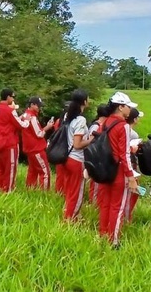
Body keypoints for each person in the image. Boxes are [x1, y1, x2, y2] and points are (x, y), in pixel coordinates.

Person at [97, 92, 140, 249]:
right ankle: (113, 240)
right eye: (128, 107)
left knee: (105, 204)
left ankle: (103, 234)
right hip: (118, 171)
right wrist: (131, 176)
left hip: (104, 169)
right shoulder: (123, 126)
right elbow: (124, 154)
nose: (129, 110)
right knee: (118, 206)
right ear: (121, 107)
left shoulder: (105, 122)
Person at [0, 88, 29, 193]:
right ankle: (8, 191)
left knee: (0, 167)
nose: (13, 99)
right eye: (13, 97)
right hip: (8, 143)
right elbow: (21, 125)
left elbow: (5, 122)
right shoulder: (10, 110)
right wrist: (27, 121)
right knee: (10, 168)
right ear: (8, 97)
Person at [61, 90, 92, 222]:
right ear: (84, 101)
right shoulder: (80, 119)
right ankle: (71, 218)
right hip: (76, 159)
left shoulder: (68, 116)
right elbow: (78, 144)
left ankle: (68, 212)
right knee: (77, 192)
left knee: (70, 189)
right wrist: (91, 140)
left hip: (67, 157)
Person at [21, 97, 54, 190]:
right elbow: (39, 133)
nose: (39, 108)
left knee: (33, 171)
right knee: (45, 173)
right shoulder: (32, 117)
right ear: (32, 105)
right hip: (36, 148)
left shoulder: (24, 115)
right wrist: (48, 127)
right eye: (38, 105)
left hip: (29, 148)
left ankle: (30, 190)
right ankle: (44, 194)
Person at [87, 104, 109, 205]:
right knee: (95, 184)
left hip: (98, 157)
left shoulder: (100, 124)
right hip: (95, 157)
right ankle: (93, 204)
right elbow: (91, 141)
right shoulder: (96, 126)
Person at [53, 101, 71, 195]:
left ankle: (58, 193)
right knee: (67, 175)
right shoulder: (72, 121)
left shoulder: (58, 121)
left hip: (58, 150)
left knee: (60, 174)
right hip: (68, 150)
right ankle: (65, 194)